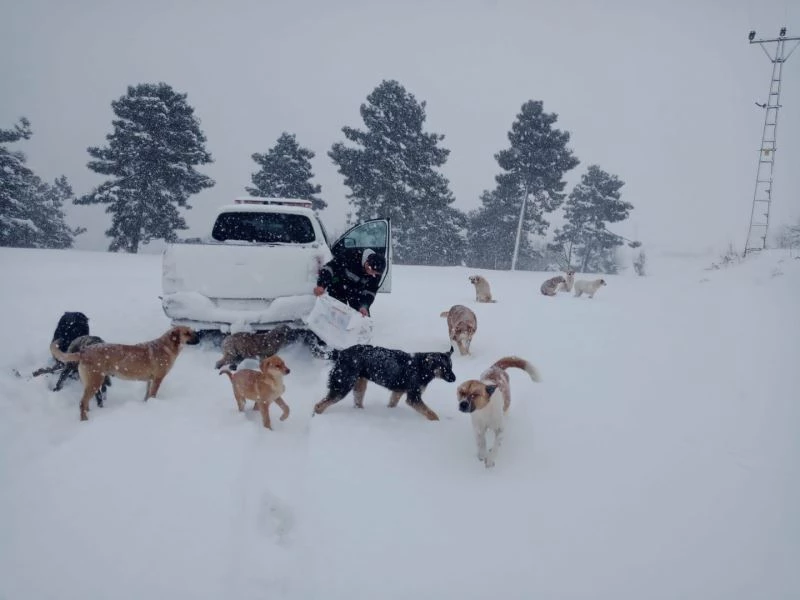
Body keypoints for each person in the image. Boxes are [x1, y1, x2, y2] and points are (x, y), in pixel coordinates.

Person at [313, 248, 386, 317]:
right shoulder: (351, 255)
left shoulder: (376, 273)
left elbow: (370, 292)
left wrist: (364, 306)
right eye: (372, 272)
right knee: (337, 315)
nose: (373, 275)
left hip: (356, 293)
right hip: (338, 287)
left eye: (376, 274)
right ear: (367, 263)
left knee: (362, 318)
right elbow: (329, 268)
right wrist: (322, 285)